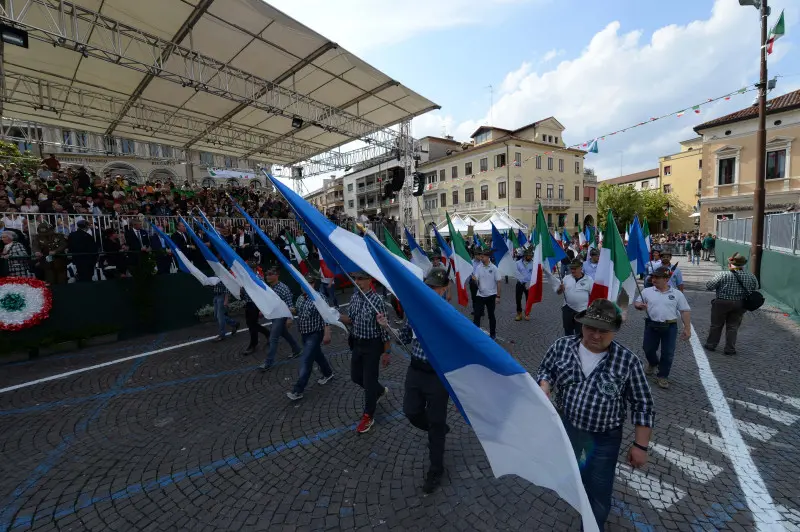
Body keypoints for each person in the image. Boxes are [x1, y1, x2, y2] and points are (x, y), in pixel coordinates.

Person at [536, 299, 654, 531]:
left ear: (614, 331)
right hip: (568, 428)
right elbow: (546, 368)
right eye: (590, 328)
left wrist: (641, 446)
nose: (596, 335)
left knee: (598, 489)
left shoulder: (628, 362)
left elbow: (643, 404)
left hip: (604, 438)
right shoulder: (562, 346)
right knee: (575, 473)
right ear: (581, 325)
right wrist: (544, 384)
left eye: (603, 331)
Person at [377, 268, 451, 494]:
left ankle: (436, 469)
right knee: (411, 411)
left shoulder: (448, 314)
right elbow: (405, 337)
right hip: (416, 371)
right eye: (428, 286)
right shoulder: (415, 310)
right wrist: (387, 326)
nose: (430, 290)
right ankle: (436, 430)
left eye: (435, 287)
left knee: (437, 423)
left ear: (444, 289)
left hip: (438, 376)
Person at [338, 271, 391, 434]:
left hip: (372, 346)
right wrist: (334, 315)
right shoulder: (354, 297)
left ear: (370, 280)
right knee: (355, 376)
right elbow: (351, 320)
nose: (357, 281)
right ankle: (380, 390)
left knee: (369, 382)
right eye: (355, 279)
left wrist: (386, 352)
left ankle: (369, 415)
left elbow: (385, 330)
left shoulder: (377, 301)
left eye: (360, 278)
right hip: (357, 343)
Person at [634, 267, 691, 389]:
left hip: (670, 326)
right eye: (653, 277)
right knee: (647, 348)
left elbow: (684, 311)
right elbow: (637, 303)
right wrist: (639, 306)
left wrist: (687, 328)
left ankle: (663, 376)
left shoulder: (677, 294)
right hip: (651, 325)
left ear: (666, 279)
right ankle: (653, 363)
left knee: (668, 353)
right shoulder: (647, 291)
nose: (653, 279)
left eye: (657, 277)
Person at [286, 270, 335, 401]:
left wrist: (327, 333)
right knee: (317, 355)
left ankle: (298, 390)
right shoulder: (301, 297)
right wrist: (291, 310)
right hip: (304, 334)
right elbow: (298, 310)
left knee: (306, 361)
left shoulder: (320, 298)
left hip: (315, 334)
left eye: (309, 283)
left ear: (313, 284)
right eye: (303, 283)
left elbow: (326, 317)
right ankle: (328, 373)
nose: (306, 286)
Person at [704, 254, 758, 356]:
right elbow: (755, 288)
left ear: (730, 264)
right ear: (743, 265)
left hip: (721, 303)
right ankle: (730, 348)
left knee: (716, 325)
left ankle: (711, 344)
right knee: (733, 327)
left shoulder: (722, 274)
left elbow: (709, 286)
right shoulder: (751, 276)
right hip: (740, 303)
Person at [260, 266, 302, 369]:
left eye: (270, 274)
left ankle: (268, 363)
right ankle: (297, 349)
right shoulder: (270, 287)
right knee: (284, 334)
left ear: (277, 275)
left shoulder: (283, 288)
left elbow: (289, 305)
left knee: (273, 338)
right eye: (266, 274)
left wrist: (289, 318)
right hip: (275, 316)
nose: (267, 276)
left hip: (281, 316)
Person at [556, 259, 594, 336]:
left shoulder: (589, 280)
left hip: (582, 310)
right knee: (568, 330)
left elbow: (593, 295)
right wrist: (560, 289)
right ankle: (568, 345)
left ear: (581, 268)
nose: (572, 270)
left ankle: (579, 346)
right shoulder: (566, 278)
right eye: (571, 268)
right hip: (567, 308)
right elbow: (558, 292)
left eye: (575, 268)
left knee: (580, 332)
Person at [472, 248, 501, 339]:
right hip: (480, 295)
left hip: (491, 296)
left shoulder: (494, 268)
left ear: (488, 257)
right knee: (477, 315)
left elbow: (499, 282)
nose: (481, 258)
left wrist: (498, 296)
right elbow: (476, 279)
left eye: (483, 256)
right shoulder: (478, 267)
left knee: (491, 315)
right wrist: (475, 280)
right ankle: (475, 333)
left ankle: (493, 334)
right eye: (481, 256)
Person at [514, 249, 533, 321]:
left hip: (529, 284)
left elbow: (534, 274)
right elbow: (516, 272)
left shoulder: (533, 263)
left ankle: (527, 313)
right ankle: (519, 313)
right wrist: (522, 280)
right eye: (529, 255)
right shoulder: (518, 263)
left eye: (531, 256)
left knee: (529, 299)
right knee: (518, 299)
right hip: (520, 283)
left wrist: (530, 282)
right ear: (525, 256)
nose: (531, 257)